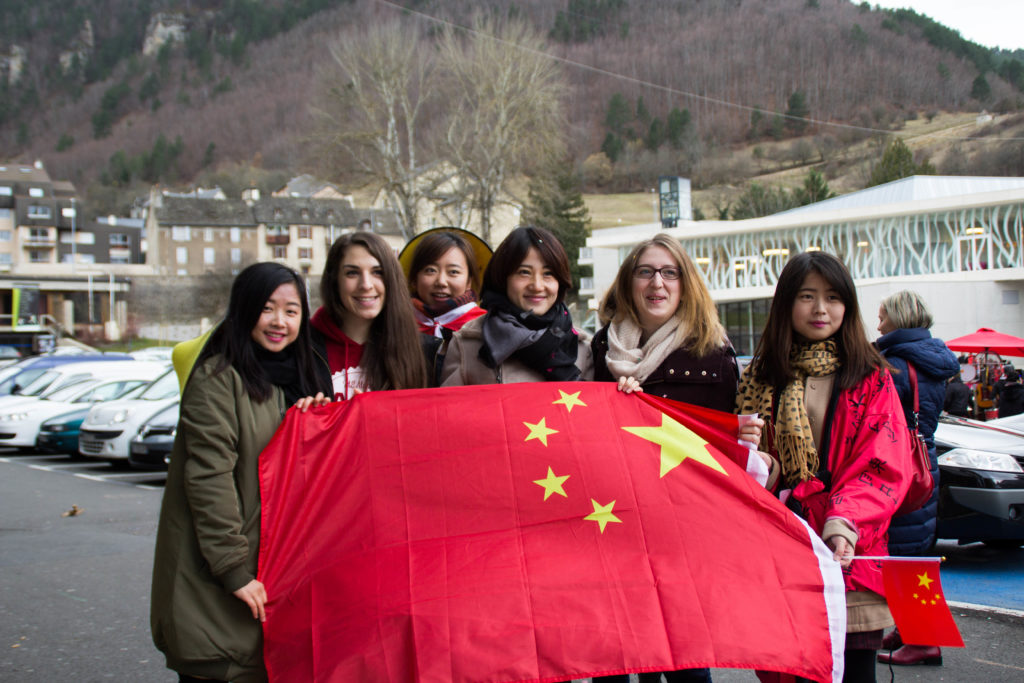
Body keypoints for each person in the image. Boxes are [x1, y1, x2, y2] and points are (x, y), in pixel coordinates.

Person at [151, 262, 332, 682]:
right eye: (267, 308)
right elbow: (208, 480)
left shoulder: (298, 379)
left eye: (291, 311)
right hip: (219, 580)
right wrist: (234, 570)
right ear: (244, 309)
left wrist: (312, 423)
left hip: (271, 574)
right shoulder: (218, 379)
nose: (279, 322)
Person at [736, 252, 912, 683]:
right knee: (785, 670)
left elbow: (883, 464)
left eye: (833, 298)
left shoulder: (871, 375)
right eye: (807, 297)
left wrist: (843, 523)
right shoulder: (758, 378)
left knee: (854, 672)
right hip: (781, 549)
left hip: (852, 551)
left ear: (847, 306)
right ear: (785, 305)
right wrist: (756, 461)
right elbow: (745, 471)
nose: (820, 309)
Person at [590, 235, 748, 682]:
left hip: (684, 534)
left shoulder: (713, 352)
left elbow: (725, 445)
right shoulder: (602, 349)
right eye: (645, 271)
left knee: (686, 666)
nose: (657, 282)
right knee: (614, 660)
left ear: (684, 284)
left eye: (669, 272)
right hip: (612, 525)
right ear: (628, 282)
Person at [873, 291, 959, 667]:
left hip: (900, 467)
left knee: (904, 557)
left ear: (897, 319)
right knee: (916, 553)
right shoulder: (935, 361)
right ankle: (912, 629)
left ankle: (924, 640)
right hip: (926, 464)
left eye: (882, 317)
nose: (878, 325)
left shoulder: (894, 365)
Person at [440, 225, 592, 385]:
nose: (537, 286)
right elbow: (450, 408)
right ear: (503, 278)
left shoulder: (583, 347)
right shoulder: (466, 344)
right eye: (524, 272)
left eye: (548, 274)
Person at [312, 232, 428, 398]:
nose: (366, 285)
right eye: (352, 273)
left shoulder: (423, 350)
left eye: (378, 272)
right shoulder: (304, 347)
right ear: (334, 280)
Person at [399, 228, 490, 338]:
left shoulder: (486, 327)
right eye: (431, 270)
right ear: (414, 279)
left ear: (468, 282)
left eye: (453, 272)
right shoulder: (396, 323)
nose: (441, 282)